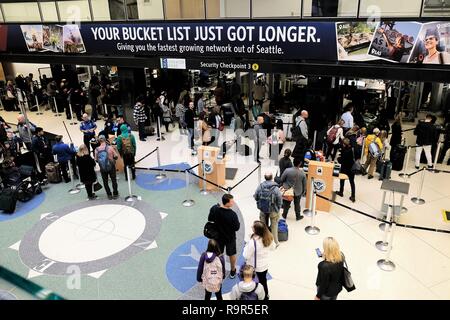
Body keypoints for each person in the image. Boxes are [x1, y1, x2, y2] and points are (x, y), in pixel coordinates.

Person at [207, 194, 240, 278]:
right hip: (230, 238)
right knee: (231, 254)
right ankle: (233, 270)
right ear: (227, 203)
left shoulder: (214, 209)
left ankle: (220, 270)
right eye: (232, 201)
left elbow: (210, 219)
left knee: (219, 254)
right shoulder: (232, 215)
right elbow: (237, 228)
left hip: (218, 237)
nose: (233, 202)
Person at [242, 221, 275, 300]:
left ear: (256, 230)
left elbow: (245, 255)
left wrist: (246, 245)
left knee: (253, 282)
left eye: (253, 227)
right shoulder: (269, 237)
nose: (251, 227)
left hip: (254, 267)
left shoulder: (253, 242)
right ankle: (266, 296)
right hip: (264, 265)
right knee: (263, 281)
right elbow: (273, 248)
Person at [254, 172, 282, 247]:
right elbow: (279, 200)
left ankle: (264, 241)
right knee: (274, 226)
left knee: (263, 226)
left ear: (264, 177)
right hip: (273, 211)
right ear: (272, 177)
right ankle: (275, 243)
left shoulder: (260, 186)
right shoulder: (276, 188)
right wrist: (278, 208)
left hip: (263, 210)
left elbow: (256, 196)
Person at [94, 135, 119, 200]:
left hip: (102, 168)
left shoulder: (96, 149)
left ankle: (109, 194)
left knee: (105, 181)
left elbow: (96, 159)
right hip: (111, 166)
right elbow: (116, 156)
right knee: (113, 180)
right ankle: (115, 193)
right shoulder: (110, 148)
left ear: (99, 141)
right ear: (105, 140)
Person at [336, 138, 356, 202]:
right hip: (352, 168)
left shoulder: (344, 151)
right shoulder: (352, 149)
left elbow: (341, 161)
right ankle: (353, 196)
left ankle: (341, 192)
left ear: (344, 144)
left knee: (342, 180)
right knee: (352, 182)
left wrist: (338, 158)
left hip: (344, 168)